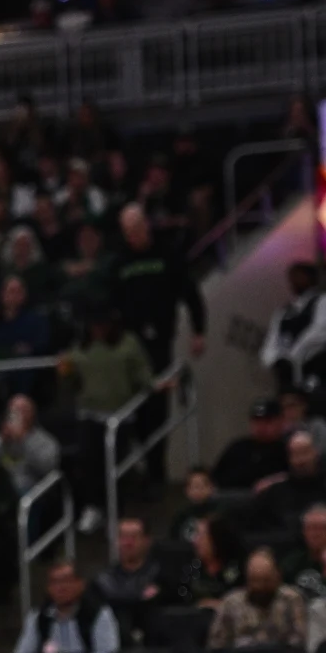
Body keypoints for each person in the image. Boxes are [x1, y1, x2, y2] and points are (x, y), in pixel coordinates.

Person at [113, 203, 207, 484]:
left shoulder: (167, 254)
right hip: (129, 345)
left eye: (137, 229)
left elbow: (191, 293)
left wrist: (199, 331)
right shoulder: (120, 261)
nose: (134, 236)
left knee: (157, 407)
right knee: (135, 410)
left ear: (147, 226)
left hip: (160, 341)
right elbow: (110, 300)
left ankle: (157, 471)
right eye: (128, 232)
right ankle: (139, 469)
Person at [14, 559, 120, 653]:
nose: (60, 588)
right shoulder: (38, 617)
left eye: (66, 581)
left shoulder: (98, 614)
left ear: (80, 584)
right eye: (54, 582)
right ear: (48, 588)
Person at [208, 549, 306, 650]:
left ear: (277, 577)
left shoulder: (291, 599)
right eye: (255, 580)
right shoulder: (231, 603)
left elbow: (299, 641)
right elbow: (216, 645)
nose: (260, 586)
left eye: (266, 580)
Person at [262, 262, 326, 393]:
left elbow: (319, 332)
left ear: (310, 278)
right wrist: (275, 360)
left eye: (299, 275)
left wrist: (294, 354)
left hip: (315, 369)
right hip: (288, 378)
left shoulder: (322, 301)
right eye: (292, 276)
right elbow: (271, 341)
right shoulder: (283, 312)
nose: (294, 280)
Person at [0, 394, 61, 496]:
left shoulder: (45, 441)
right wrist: (2, 439)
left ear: (31, 414)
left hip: (32, 493)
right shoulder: (1, 438)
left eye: (20, 411)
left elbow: (49, 469)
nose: (14, 415)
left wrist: (24, 438)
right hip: (2, 491)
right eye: (11, 411)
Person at [95, 517, 161, 637]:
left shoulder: (159, 575)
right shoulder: (105, 579)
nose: (128, 543)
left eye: (134, 537)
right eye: (123, 537)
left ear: (147, 541)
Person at [253, 430, 326, 531]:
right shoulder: (276, 492)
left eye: (305, 453)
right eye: (295, 455)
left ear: (316, 453)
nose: (301, 460)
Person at [212, 399, 290, 489]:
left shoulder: (288, 450)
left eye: (267, 421)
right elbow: (214, 478)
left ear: (281, 422)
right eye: (257, 421)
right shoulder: (237, 448)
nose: (261, 427)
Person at [280, 505, 326, 599]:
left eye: (321, 528)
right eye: (311, 528)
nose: (315, 534)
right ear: (303, 532)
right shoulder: (292, 562)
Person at [170, 466, 217, 543]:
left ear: (212, 488)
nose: (198, 490)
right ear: (187, 490)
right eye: (194, 486)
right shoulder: (180, 516)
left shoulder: (219, 514)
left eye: (202, 486)